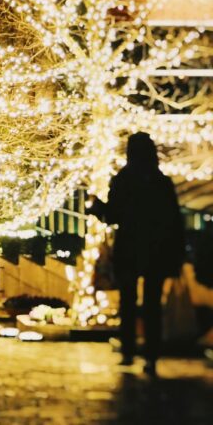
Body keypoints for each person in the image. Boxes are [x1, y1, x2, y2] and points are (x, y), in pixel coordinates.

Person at [88, 132, 185, 376]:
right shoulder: (161, 181)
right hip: (157, 250)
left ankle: (129, 350)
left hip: (130, 247)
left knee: (128, 300)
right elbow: (174, 219)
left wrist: (97, 207)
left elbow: (113, 216)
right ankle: (151, 355)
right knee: (152, 303)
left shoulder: (124, 179)